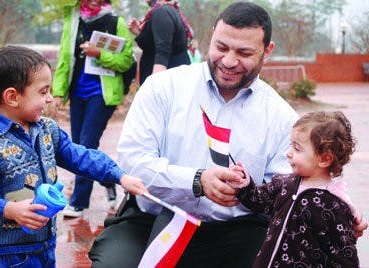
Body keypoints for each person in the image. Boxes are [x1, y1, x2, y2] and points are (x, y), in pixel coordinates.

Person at [89, 2, 367, 267]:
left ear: (267, 50)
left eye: (244, 53)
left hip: (238, 230)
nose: (229, 61)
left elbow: (298, 182)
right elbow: (131, 162)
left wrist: (337, 208)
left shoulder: (280, 116)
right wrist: (197, 180)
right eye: (221, 47)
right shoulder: (163, 88)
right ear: (212, 37)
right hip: (150, 219)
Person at [0, 45, 147, 268]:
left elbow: (80, 157)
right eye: (43, 92)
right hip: (11, 254)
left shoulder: (48, 130)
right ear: (12, 97)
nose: (50, 98)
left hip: (46, 245)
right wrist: (10, 210)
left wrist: (119, 176)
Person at [234, 111, 360, 267]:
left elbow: (344, 256)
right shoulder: (285, 183)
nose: (288, 153)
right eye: (290, 145)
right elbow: (259, 200)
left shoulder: (333, 204)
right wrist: (244, 183)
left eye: (297, 149)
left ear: (324, 159)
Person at [52, 0, 134, 217]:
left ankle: (78, 202)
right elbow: (64, 57)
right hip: (77, 92)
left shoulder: (116, 22)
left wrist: (100, 54)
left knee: (87, 143)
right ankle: (108, 179)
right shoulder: (74, 19)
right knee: (78, 145)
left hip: (102, 93)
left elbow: (126, 61)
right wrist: (58, 91)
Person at [128, 0, 192, 85]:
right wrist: (141, 33)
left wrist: (154, 89)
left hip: (166, 87)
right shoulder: (168, 10)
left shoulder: (162, 13)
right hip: (173, 83)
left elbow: (162, 54)